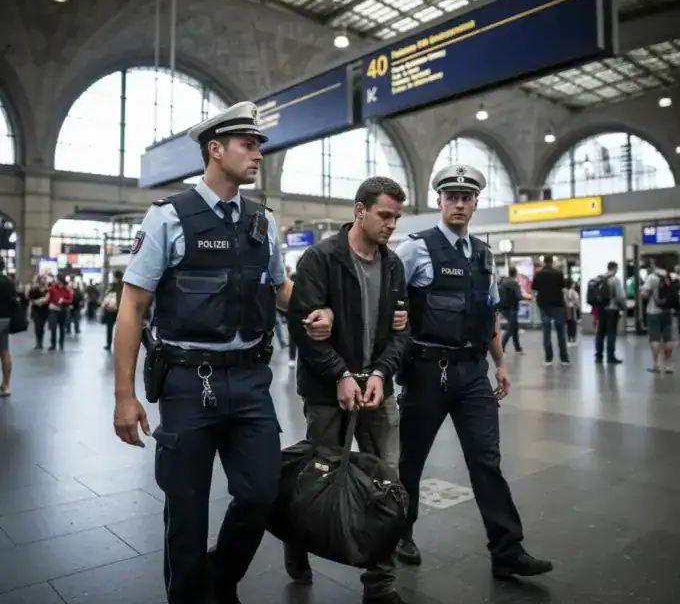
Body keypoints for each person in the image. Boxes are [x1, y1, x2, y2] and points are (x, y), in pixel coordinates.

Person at [112, 102, 334, 604]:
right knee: (186, 510)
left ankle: (220, 577)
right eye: (248, 145)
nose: (258, 155)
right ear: (216, 150)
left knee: (261, 493)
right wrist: (125, 395)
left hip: (251, 382)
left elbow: (280, 288)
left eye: (258, 146)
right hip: (187, 385)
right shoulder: (169, 217)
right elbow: (133, 308)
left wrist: (314, 310)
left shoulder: (262, 221)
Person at [394, 164, 552, 579]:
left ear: (476, 204)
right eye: (452, 197)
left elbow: (489, 314)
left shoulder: (484, 254)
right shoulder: (415, 249)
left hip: (472, 373)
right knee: (411, 461)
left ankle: (507, 549)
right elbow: (388, 303)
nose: (459, 204)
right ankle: (400, 532)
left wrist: (501, 364)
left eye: (466, 198)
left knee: (487, 461)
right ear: (440, 201)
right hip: (426, 372)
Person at [284, 176, 410, 604]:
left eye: (396, 217)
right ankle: (297, 544)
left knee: (387, 484)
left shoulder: (393, 266)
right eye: (384, 215)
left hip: (378, 391)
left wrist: (380, 374)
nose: (391, 224)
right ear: (359, 210)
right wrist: (339, 373)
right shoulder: (320, 259)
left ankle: (381, 583)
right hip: (327, 394)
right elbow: (303, 329)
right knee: (316, 479)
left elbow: (401, 331)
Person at [532, 255, 569, 366]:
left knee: (546, 331)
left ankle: (548, 359)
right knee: (561, 332)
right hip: (557, 305)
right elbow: (563, 288)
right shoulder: (558, 274)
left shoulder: (538, 274)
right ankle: (564, 359)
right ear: (552, 262)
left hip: (544, 305)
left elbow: (534, 289)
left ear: (544, 262)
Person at [641, 261, 679, 374]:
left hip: (653, 312)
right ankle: (668, 365)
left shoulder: (652, 277)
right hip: (668, 311)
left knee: (655, 339)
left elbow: (645, 294)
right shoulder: (672, 277)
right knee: (668, 339)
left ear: (655, 266)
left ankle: (656, 365)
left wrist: (643, 291)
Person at [593, 262, 626, 364]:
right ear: (615, 268)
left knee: (600, 333)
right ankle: (610, 357)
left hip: (601, 309)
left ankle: (599, 356)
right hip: (612, 310)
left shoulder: (600, 279)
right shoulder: (614, 280)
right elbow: (620, 296)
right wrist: (624, 307)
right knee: (611, 333)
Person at [498, 266, 525, 354]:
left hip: (503, 308)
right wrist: (525, 297)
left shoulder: (503, 282)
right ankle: (501, 347)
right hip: (512, 308)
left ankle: (518, 348)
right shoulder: (514, 283)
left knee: (515, 327)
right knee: (510, 329)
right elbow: (519, 296)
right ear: (515, 273)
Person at [0, 257, 17, 397]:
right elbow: (14, 301)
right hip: (4, 319)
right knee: (4, 351)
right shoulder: (8, 282)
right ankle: (6, 385)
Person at [47, 273, 72, 351]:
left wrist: (64, 300)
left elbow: (70, 300)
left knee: (62, 327)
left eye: (59, 280)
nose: (57, 282)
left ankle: (61, 343)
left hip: (63, 310)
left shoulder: (67, 289)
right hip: (53, 309)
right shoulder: (52, 288)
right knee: (53, 327)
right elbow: (49, 298)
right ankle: (53, 344)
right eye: (57, 280)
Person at [28, 275, 50, 349]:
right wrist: (35, 302)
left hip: (44, 310)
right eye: (41, 279)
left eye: (44, 279)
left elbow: (49, 299)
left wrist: (43, 301)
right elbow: (30, 297)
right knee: (37, 326)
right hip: (36, 309)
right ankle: (38, 342)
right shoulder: (34, 289)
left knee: (41, 326)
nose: (42, 280)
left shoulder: (47, 289)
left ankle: (40, 342)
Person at [565, 279, 580, 346]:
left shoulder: (566, 292)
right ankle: (573, 340)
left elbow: (565, 301)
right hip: (573, 309)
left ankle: (568, 340)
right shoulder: (574, 292)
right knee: (574, 325)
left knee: (569, 325)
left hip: (568, 309)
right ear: (571, 285)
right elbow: (577, 301)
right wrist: (579, 306)